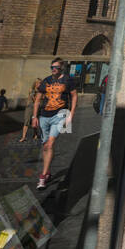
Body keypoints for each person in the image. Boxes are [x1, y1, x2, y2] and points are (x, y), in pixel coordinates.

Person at [34, 59, 77, 190]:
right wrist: (34, 116)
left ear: (61, 69)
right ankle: (47, 172)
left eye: (56, 68)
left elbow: (74, 96)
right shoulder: (46, 81)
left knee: (50, 144)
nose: (53, 69)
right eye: (52, 67)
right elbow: (37, 99)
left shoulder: (68, 80)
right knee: (45, 147)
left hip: (60, 114)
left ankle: (42, 177)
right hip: (44, 116)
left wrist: (71, 114)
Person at [19, 77, 42, 143]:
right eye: (38, 83)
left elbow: (38, 100)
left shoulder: (41, 91)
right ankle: (23, 137)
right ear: (35, 83)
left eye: (40, 83)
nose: (39, 84)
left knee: (34, 123)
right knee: (26, 121)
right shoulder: (31, 90)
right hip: (29, 107)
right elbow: (32, 99)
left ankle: (35, 134)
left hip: (36, 108)